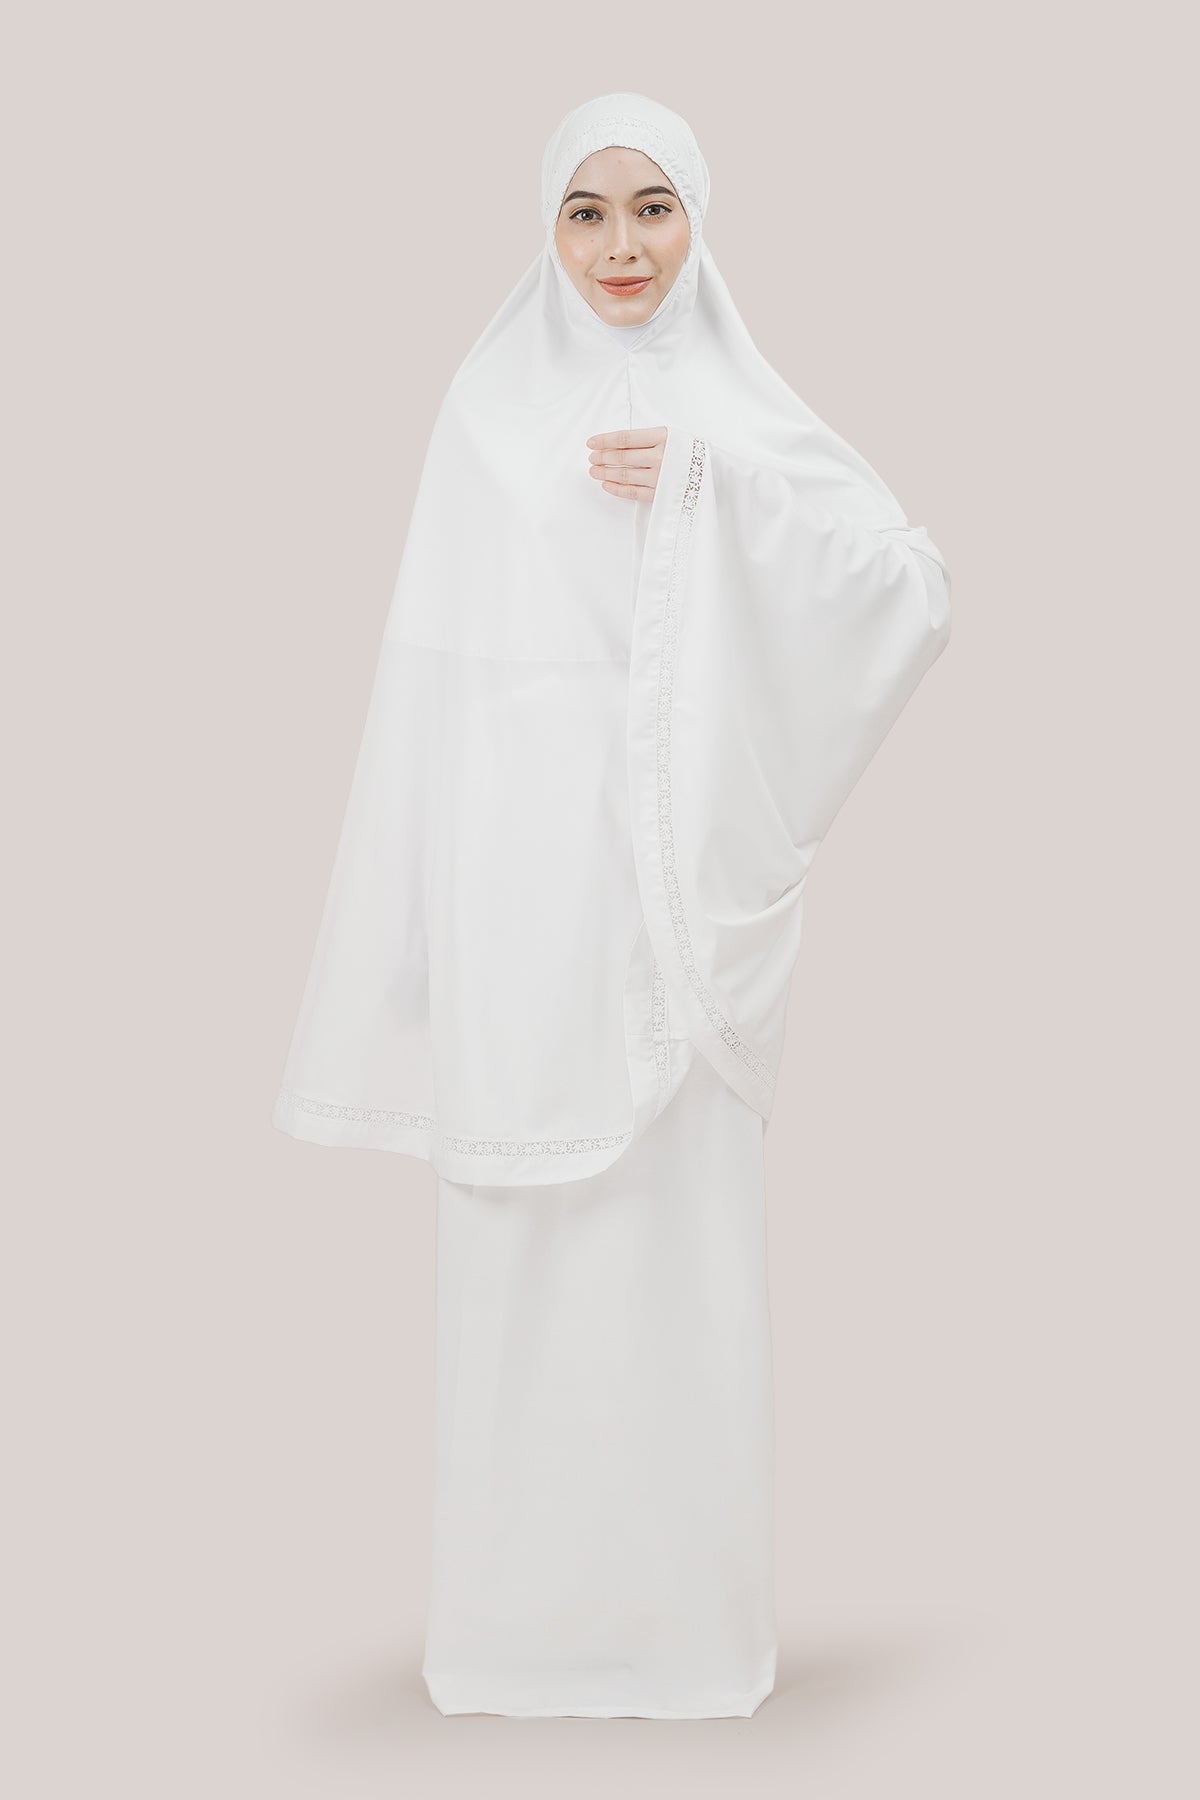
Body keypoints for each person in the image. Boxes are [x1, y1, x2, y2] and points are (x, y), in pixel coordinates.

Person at [271, 91, 951, 1719]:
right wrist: (422, 928)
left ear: (699, 222)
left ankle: (687, 1644)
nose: (622, 245)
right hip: (518, 900)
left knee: (674, 1266)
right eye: (587, 212)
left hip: (667, 913)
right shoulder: (483, 410)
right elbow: (429, 679)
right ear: (548, 230)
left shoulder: (738, 410)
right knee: (519, 1262)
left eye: (654, 208)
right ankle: (513, 1642)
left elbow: (907, 589)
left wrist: (711, 492)